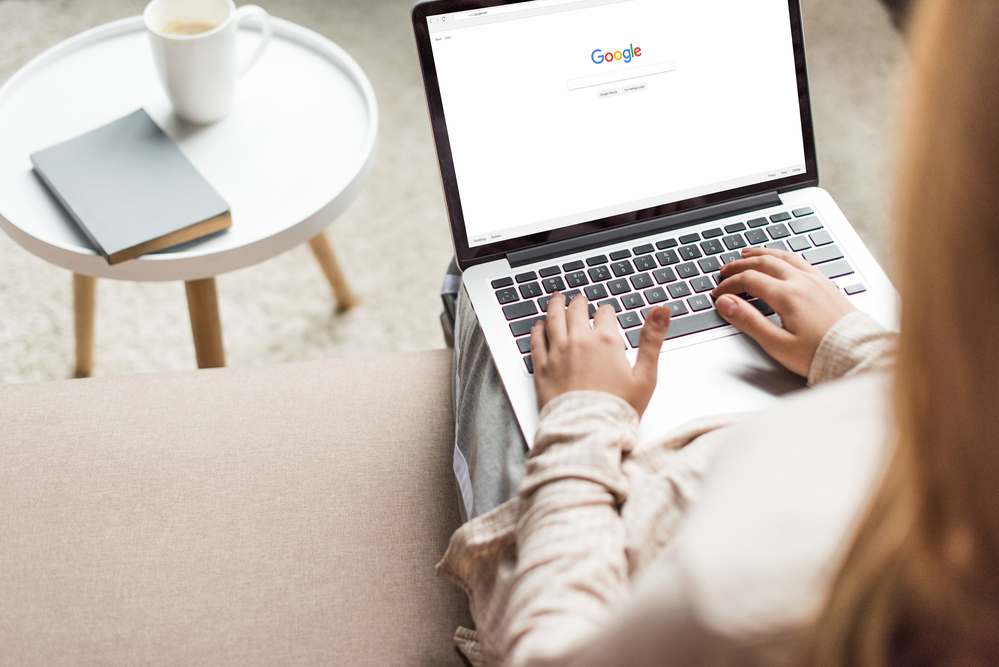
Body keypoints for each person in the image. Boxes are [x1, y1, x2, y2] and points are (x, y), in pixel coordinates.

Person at [436, 0, 999, 664]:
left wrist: (582, 417)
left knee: (482, 284)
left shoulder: (735, 605)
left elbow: (552, 649)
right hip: (780, 434)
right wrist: (857, 348)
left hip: (609, 534)